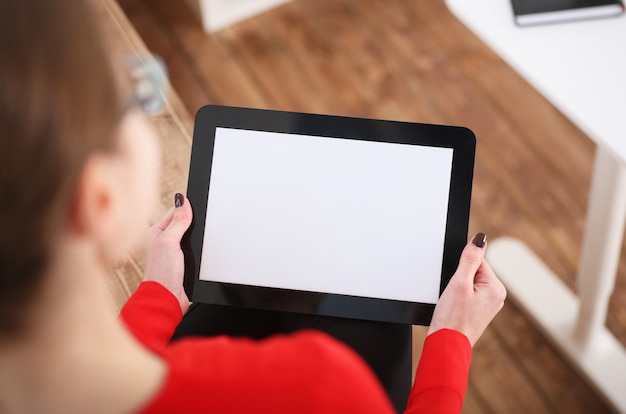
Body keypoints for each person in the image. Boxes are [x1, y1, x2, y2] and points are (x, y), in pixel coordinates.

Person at [0, 1, 507, 413]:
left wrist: (157, 295)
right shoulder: (320, 389)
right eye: (136, 89)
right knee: (369, 317)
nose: (142, 90)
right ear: (98, 201)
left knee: (252, 292)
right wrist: (450, 343)